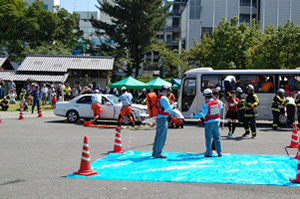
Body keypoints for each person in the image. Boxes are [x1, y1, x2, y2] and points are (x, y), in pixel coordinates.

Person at [198, 88, 222, 157]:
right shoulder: (217, 102)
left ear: (205, 96)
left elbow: (203, 114)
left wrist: (195, 114)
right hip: (216, 121)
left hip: (209, 122)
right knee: (217, 137)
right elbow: (220, 109)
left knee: (208, 138)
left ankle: (208, 152)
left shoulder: (206, 104)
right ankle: (219, 152)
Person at [152, 85, 174, 158]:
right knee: (162, 136)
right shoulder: (164, 98)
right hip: (162, 118)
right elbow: (168, 109)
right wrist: (173, 105)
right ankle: (158, 153)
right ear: (166, 90)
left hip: (158, 117)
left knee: (158, 135)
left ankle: (155, 151)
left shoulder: (158, 97)